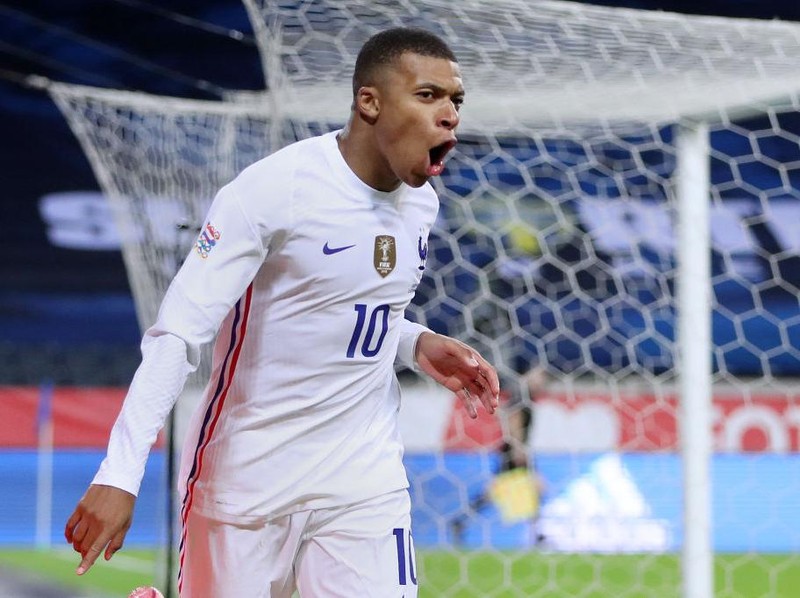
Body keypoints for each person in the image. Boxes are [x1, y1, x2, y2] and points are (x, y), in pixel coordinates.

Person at [64, 27, 500, 598]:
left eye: (455, 101)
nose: (449, 115)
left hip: (362, 478)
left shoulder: (421, 202)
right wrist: (119, 475)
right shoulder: (273, 191)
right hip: (247, 478)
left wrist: (412, 343)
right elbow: (178, 334)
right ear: (369, 102)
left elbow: (342, 304)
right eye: (428, 95)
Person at [450, 366, 546, 546]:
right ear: (528, 376)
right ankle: (538, 534)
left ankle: (460, 521)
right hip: (514, 451)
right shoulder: (522, 396)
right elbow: (513, 419)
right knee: (533, 487)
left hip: (514, 449)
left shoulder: (524, 396)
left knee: (499, 492)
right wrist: (518, 447)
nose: (542, 383)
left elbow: (504, 413)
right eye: (539, 377)